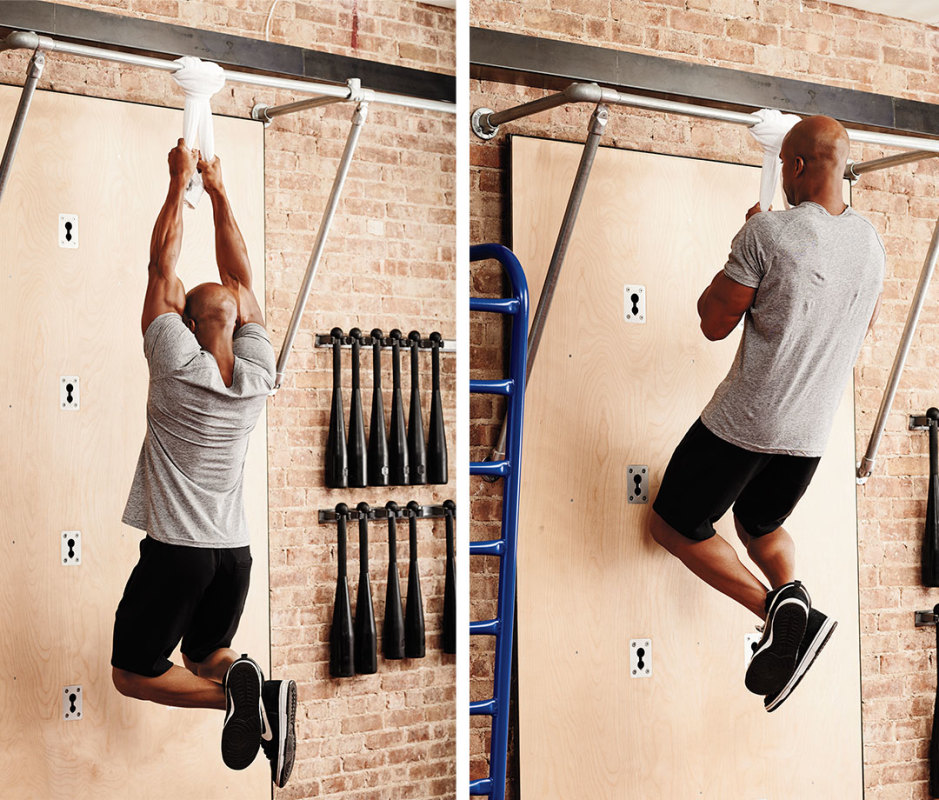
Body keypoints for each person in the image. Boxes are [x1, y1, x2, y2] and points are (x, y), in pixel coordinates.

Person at [649, 116, 884, 712]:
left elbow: (712, 322)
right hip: (810, 435)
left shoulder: (768, 234)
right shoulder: (871, 246)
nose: (782, 176)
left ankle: (778, 615)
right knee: (759, 527)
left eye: (783, 166)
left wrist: (747, 241)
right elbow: (857, 330)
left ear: (797, 165)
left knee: (672, 525)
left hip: (745, 422)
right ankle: (791, 594)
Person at [110, 139, 296, 786]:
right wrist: (216, 189)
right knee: (208, 653)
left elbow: (160, 264)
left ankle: (246, 702)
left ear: (186, 323)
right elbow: (240, 280)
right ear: (238, 321)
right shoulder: (257, 375)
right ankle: (241, 683)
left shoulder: (174, 364)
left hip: (178, 554)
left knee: (133, 672)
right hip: (232, 557)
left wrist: (176, 182)